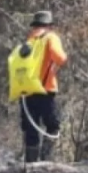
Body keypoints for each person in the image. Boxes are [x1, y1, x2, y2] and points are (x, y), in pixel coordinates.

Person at [20, 10, 67, 163]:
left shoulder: (30, 39)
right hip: (46, 90)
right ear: (49, 26)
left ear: (35, 25)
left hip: (26, 91)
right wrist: (54, 69)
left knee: (31, 128)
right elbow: (61, 57)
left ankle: (31, 164)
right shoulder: (51, 38)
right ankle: (46, 161)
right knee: (53, 126)